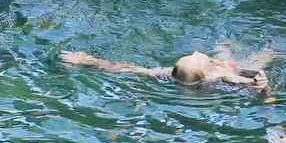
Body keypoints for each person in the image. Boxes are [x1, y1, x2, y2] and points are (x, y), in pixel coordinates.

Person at [59, 44, 274, 92]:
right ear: (209, 69)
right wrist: (258, 84)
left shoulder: (166, 74)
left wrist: (86, 59)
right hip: (234, 68)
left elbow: (125, 69)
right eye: (198, 57)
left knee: (224, 47)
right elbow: (248, 83)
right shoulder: (220, 75)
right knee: (266, 54)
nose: (197, 52)